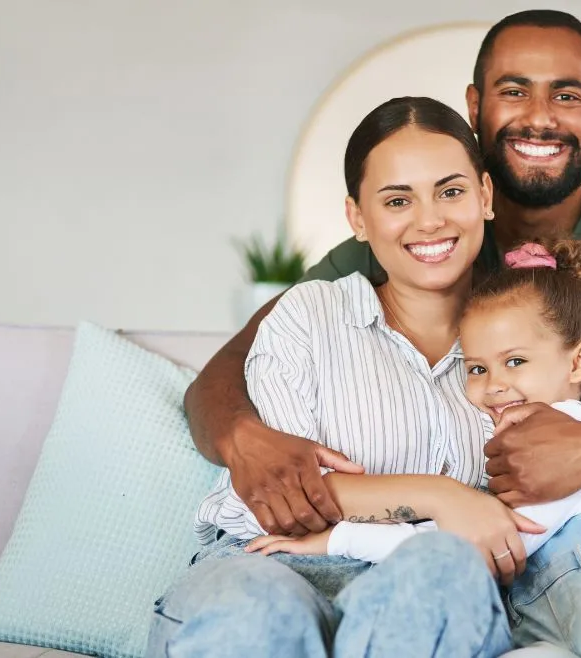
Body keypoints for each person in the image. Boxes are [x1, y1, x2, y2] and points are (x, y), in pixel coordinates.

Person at [182, 10, 581, 553]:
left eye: (566, 95)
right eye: (513, 91)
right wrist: (243, 438)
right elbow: (233, 367)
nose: (540, 116)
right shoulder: (424, 225)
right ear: (475, 105)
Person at [147, 96, 527, 657]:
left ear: (486, 197)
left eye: (451, 191)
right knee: (256, 610)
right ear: (357, 218)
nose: (431, 219)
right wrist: (444, 497)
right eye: (398, 200)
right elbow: (285, 499)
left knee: (443, 566)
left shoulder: (530, 333)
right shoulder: (308, 314)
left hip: (421, 596)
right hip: (269, 564)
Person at [247, 237, 581, 657]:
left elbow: (474, 543)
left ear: (577, 362)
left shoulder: (570, 430)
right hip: (544, 611)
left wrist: (332, 540)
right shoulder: (532, 435)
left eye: (515, 361)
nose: (494, 386)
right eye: (476, 369)